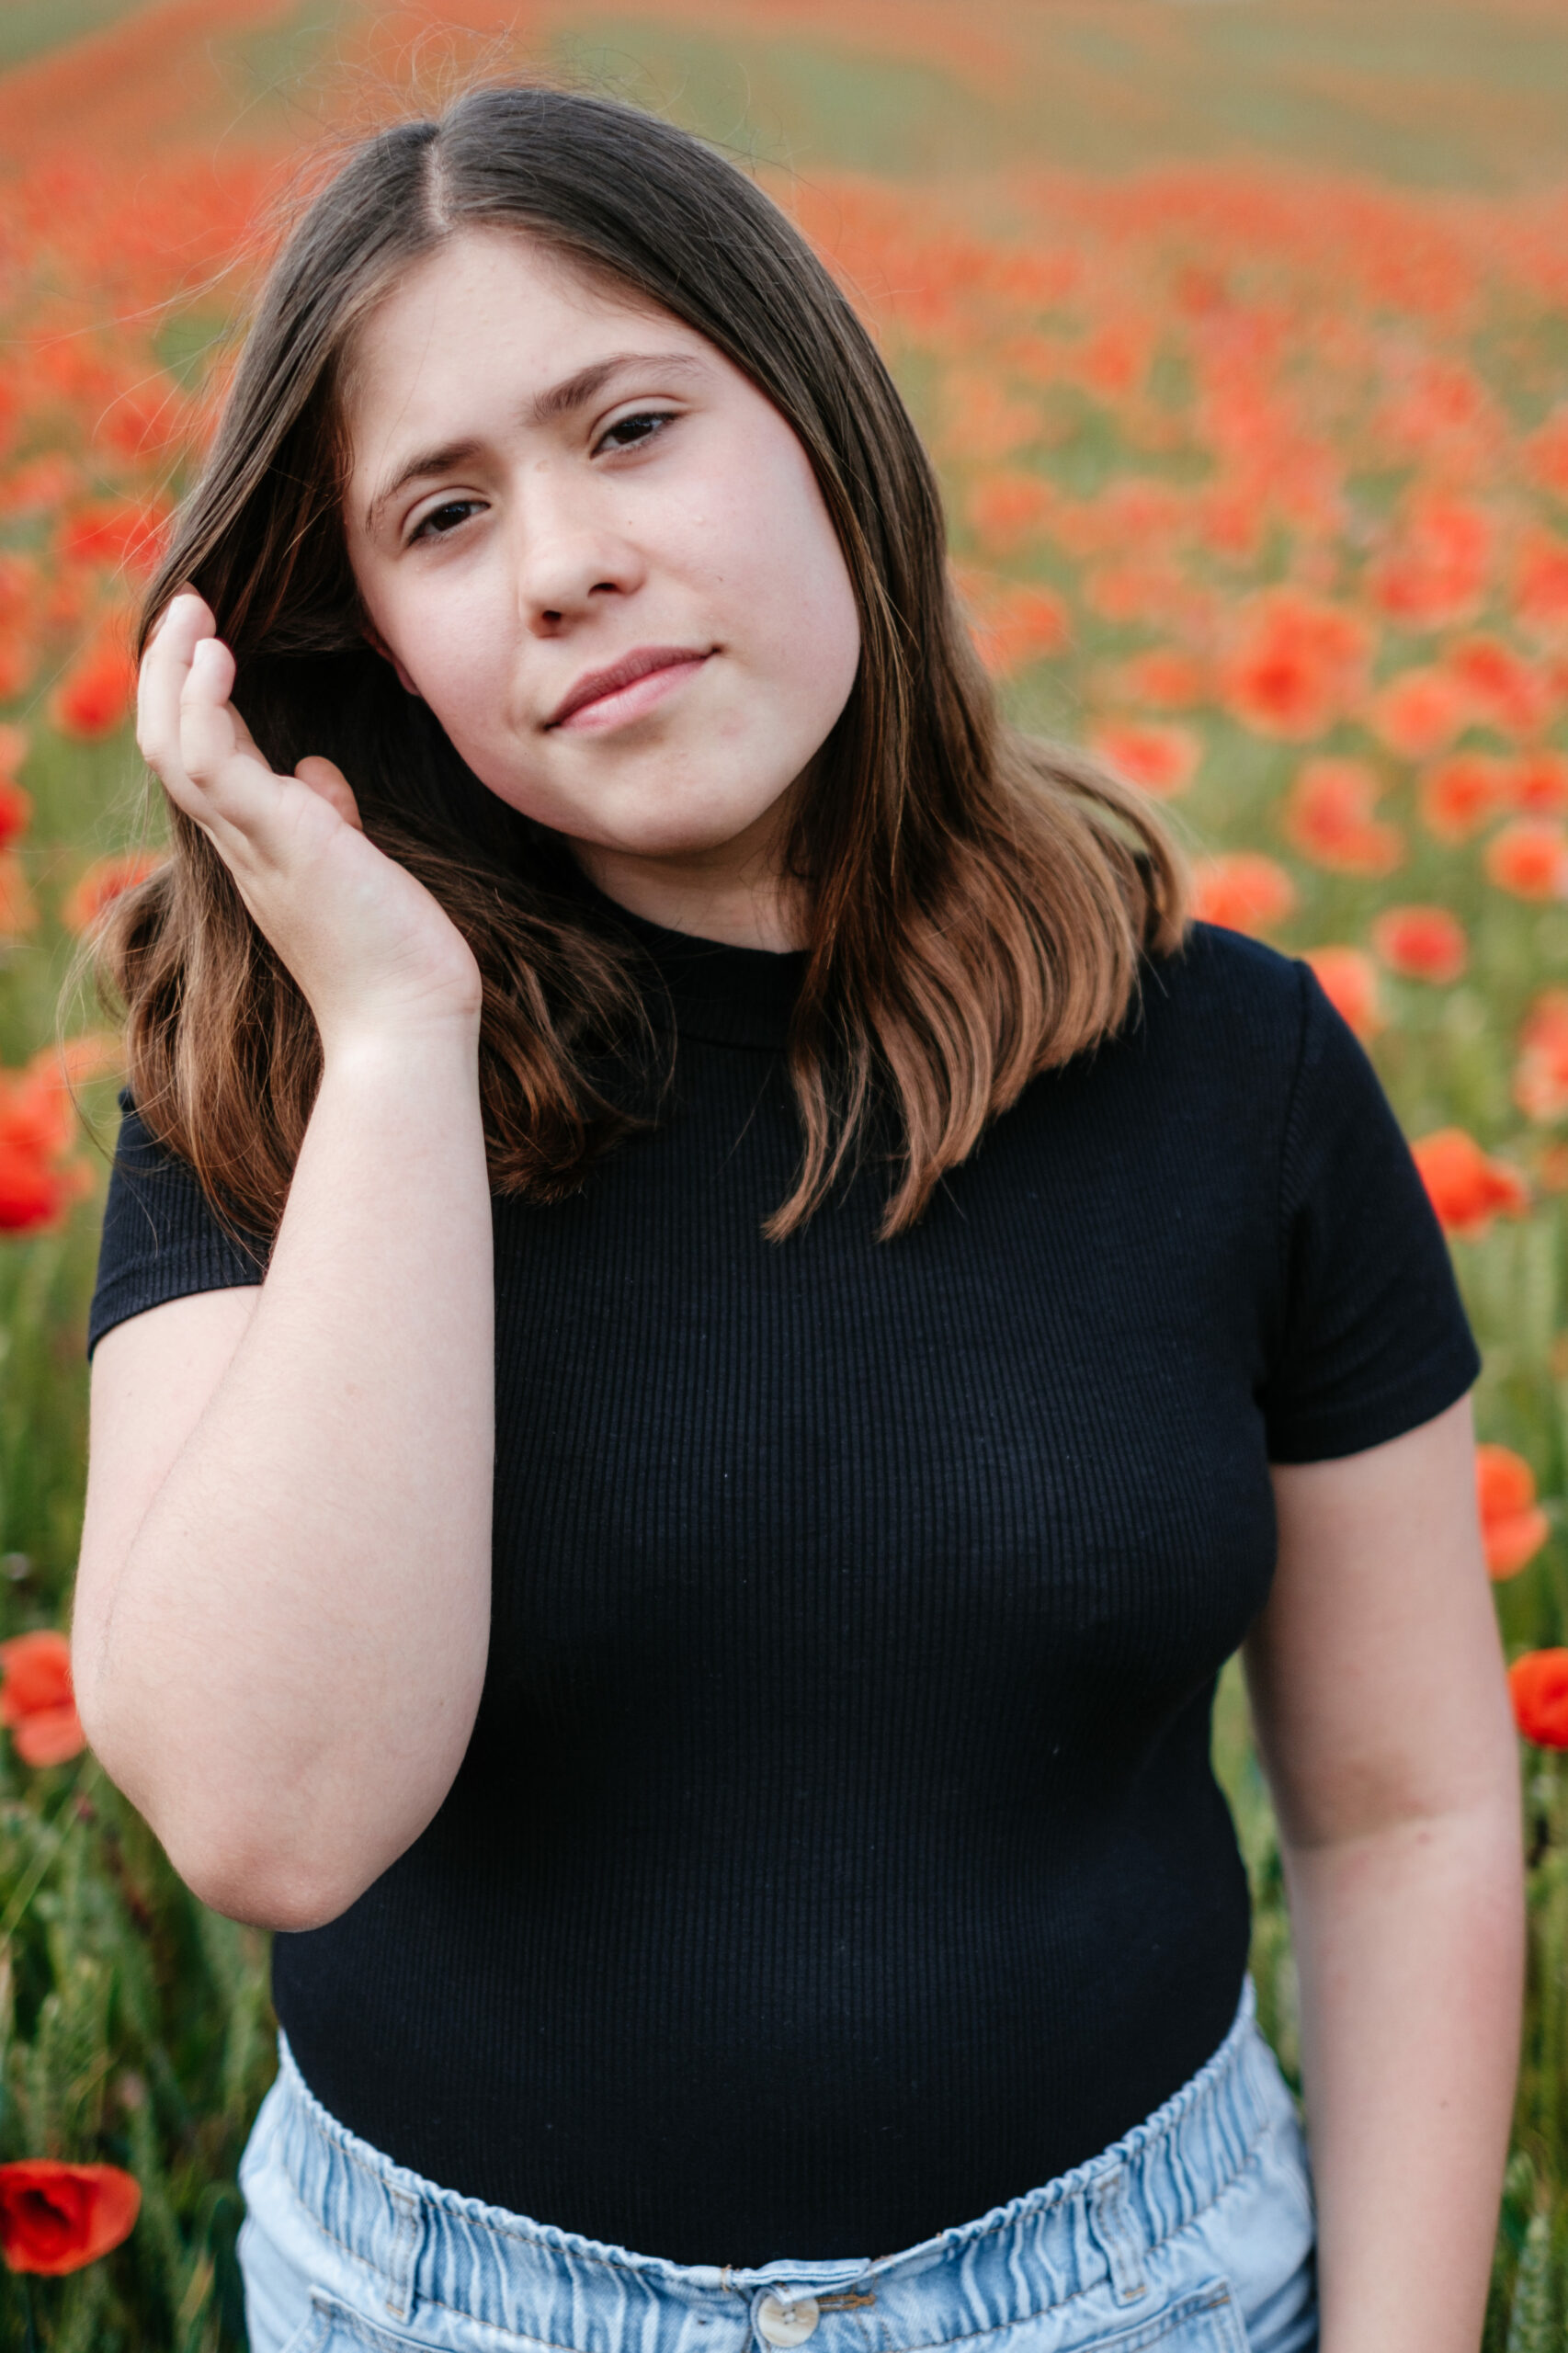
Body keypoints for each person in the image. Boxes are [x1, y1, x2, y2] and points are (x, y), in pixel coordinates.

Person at [72, 82, 1522, 2353]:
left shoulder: (1228, 1068)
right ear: (357, 634)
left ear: (825, 424)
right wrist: (390, 1043)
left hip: (1139, 2297)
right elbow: (274, 1822)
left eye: (631, 425)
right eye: (441, 513)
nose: (560, 557)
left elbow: (1409, 1807)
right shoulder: (272, 1086)